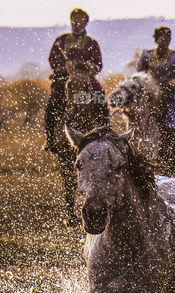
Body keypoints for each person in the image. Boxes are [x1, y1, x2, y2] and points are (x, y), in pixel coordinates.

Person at [44, 8, 108, 224]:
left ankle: (105, 129)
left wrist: (84, 67)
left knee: (100, 98)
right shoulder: (61, 41)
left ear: (86, 22)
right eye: (74, 19)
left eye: (80, 19)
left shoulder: (91, 43)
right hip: (64, 80)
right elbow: (53, 60)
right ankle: (51, 138)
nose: (76, 22)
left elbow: (98, 65)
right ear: (71, 21)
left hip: (86, 80)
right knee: (52, 104)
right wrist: (65, 67)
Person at [136, 26, 175, 177]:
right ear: (156, 39)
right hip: (151, 93)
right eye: (162, 38)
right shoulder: (146, 56)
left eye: (167, 38)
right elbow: (139, 73)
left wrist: (174, 82)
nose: (165, 41)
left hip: (171, 94)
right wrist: (151, 82)